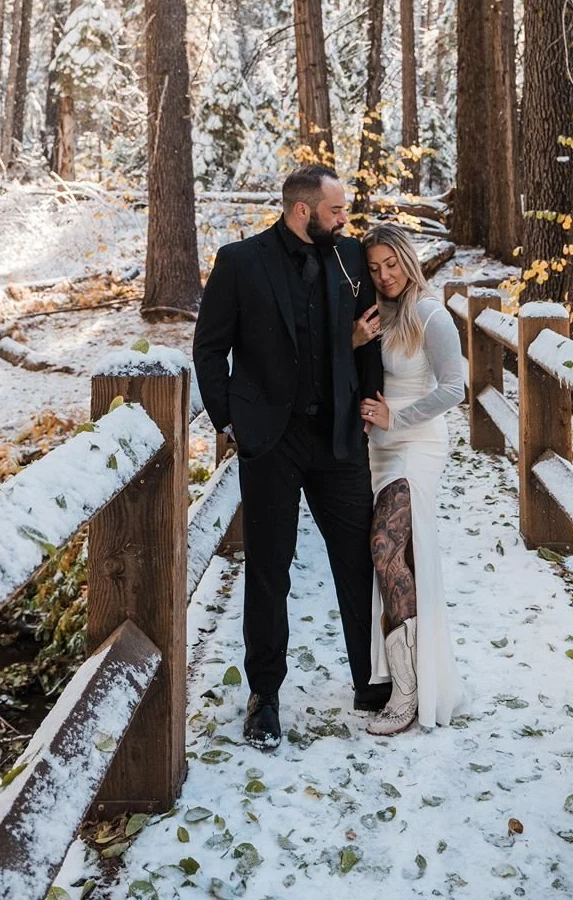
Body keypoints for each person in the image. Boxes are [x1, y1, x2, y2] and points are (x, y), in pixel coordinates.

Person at [192, 165, 392, 750]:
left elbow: (366, 339)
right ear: (302, 211)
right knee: (269, 570)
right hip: (270, 442)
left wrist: (370, 399)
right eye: (336, 210)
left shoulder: (351, 257)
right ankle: (265, 697)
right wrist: (229, 418)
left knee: (358, 559)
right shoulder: (240, 262)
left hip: (337, 439)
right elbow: (209, 347)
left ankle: (369, 680)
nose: (344, 219)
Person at [360, 222, 465, 734]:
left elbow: (455, 389)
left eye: (391, 264)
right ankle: (414, 674)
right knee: (399, 557)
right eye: (375, 268)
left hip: (418, 443)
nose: (384, 275)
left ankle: (406, 690)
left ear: (408, 258)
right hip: (379, 450)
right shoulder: (378, 315)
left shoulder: (429, 312)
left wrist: (395, 420)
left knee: (385, 545)